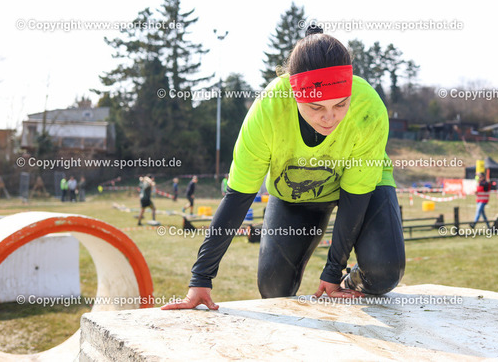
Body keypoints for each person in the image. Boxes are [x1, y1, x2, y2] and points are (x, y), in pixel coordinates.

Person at [162, 25, 405, 312]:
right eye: (316, 107)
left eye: (340, 104)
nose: (329, 118)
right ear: (293, 92)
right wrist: (200, 278)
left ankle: (353, 280)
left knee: (384, 271)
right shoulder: (269, 109)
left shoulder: (368, 107)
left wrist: (333, 272)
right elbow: (238, 197)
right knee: (274, 289)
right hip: (296, 194)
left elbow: (355, 198)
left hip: (362, 188)